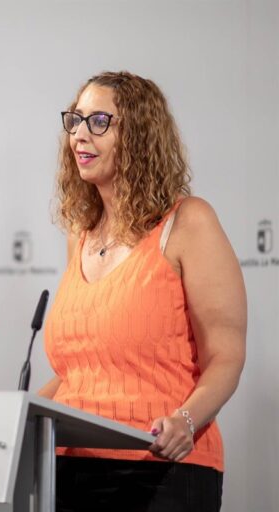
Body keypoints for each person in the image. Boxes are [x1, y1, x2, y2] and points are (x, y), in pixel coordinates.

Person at [39, 71, 246, 512]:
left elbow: (225, 356)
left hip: (161, 466)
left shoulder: (188, 222)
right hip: (68, 468)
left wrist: (186, 421)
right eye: (75, 120)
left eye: (99, 122)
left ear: (139, 135)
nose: (79, 134)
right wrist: (17, 416)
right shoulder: (80, 234)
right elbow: (79, 371)